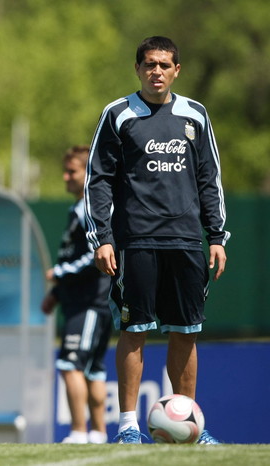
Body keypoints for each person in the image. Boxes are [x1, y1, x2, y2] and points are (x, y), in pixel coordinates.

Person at [83, 36, 229, 444]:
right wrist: (103, 237)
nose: (157, 72)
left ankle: (189, 426)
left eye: (165, 64)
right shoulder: (118, 114)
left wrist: (216, 236)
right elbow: (98, 181)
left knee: (186, 332)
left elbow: (209, 180)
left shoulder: (195, 115)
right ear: (138, 69)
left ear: (177, 69)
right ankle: (128, 425)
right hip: (136, 241)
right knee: (135, 330)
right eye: (149, 64)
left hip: (186, 241)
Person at [41, 145, 112, 444]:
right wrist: (57, 293)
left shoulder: (91, 209)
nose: (65, 176)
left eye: (72, 171)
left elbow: (98, 255)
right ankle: (98, 434)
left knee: (70, 365)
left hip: (89, 303)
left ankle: (79, 432)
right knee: (93, 370)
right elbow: (76, 253)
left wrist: (60, 274)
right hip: (84, 303)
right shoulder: (78, 209)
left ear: (88, 174)